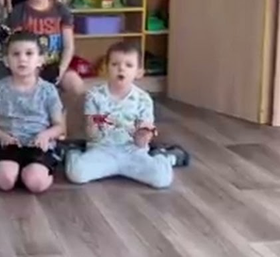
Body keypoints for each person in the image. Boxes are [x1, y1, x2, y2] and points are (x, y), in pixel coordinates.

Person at [65, 41, 189, 189]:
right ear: (106, 68)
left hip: (132, 153)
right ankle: (72, 151)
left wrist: (142, 136)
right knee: (77, 173)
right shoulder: (94, 96)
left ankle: (163, 156)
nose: (121, 69)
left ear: (139, 72)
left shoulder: (143, 99)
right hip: (102, 150)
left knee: (162, 178)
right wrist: (93, 126)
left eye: (128, 65)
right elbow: (92, 134)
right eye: (115, 64)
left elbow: (142, 141)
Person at [0, 31, 65, 194]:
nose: (22, 59)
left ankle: (38, 170)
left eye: (29, 53)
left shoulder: (48, 90)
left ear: (40, 60)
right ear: (6, 61)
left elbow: (60, 126)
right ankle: (18, 172)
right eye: (16, 54)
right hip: (9, 144)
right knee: (5, 181)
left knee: (36, 183)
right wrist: (2, 136)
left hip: (38, 144)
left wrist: (46, 135)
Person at [8, 0, 84, 97]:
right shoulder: (18, 11)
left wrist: (61, 70)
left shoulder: (62, 10)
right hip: (29, 68)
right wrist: (29, 71)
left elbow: (68, 46)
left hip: (57, 65)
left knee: (76, 85)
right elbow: (16, 48)